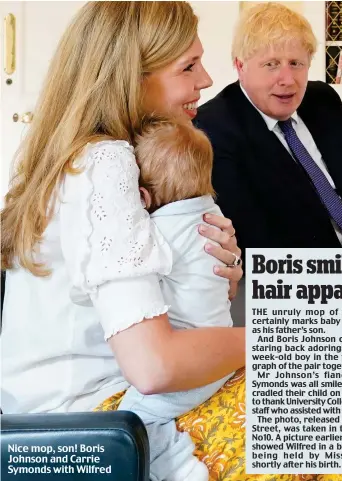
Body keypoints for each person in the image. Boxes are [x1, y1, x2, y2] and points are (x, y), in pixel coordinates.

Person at [0, 3, 248, 481]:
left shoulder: (66, 156)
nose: (207, 79)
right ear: (131, 76)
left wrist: (206, 275)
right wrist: (290, 343)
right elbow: (154, 366)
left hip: (71, 413)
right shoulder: (106, 163)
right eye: (188, 66)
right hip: (98, 426)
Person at [195, 2, 342, 255]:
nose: (287, 80)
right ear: (241, 66)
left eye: (296, 63)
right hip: (306, 274)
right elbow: (254, 240)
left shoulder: (321, 99)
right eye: (271, 64)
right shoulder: (213, 129)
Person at [118, 117, 235, 481]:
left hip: (188, 364)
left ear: (142, 197)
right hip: (219, 350)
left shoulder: (156, 234)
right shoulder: (214, 218)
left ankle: (181, 467)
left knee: (133, 420)